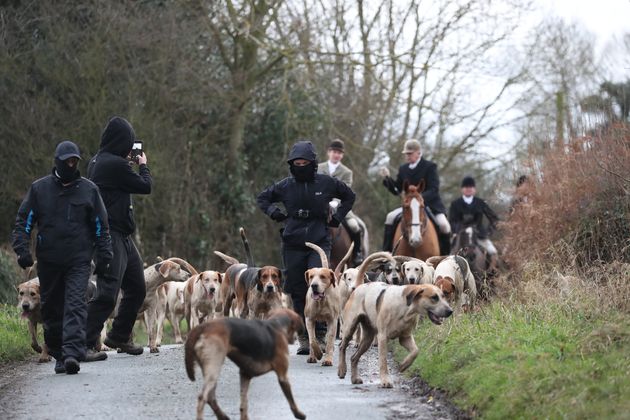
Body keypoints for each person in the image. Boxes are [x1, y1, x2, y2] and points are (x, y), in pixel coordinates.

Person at [12, 140, 113, 374]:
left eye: (74, 161)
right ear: (57, 161)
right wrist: (22, 250)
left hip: (79, 260)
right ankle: (58, 354)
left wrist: (105, 255)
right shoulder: (39, 189)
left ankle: (72, 353)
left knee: (75, 304)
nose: (71, 164)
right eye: (67, 160)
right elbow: (23, 222)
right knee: (52, 307)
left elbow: (101, 226)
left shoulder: (89, 190)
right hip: (48, 261)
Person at [257, 140, 355, 355]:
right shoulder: (285, 185)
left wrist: (337, 217)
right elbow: (263, 198)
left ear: (312, 163)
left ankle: (321, 333)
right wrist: (274, 212)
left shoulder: (327, 183)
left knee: (319, 282)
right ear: (292, 164)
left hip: (319, 238)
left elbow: (349, 196)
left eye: (304, 162)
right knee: (297, 287)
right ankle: (303, 335)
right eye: (297, 163)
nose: (300, 166)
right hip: (292, 240)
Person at [84, 116, 152, 361]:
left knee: (136, 287)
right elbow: (146, 186)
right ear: (122, 142)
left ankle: (119, 335)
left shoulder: (99, 160)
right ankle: (82, 342)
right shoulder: (113, 164)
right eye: (129, 143)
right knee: (107, 293)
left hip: (122, 234)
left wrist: (126, 163)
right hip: (110, 235)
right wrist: (142, 164)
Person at [380, 139, 451, 253]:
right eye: (406, 154)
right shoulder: (403, 169)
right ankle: (387, 253)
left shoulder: (430, 166)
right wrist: (387, 179)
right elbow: (397, 189)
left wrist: (419, 199)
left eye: (410, 153)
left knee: (444, 225)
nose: (407, 156)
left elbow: (434, 188)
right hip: (409, 207)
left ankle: (446, 256)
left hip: (430, 205)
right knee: (390, 217)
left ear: (418, 153)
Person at [317, 139, 365, 265]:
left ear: (342, 155)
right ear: (329, 152)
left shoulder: (347, 172)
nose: (336, 154)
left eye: (339, 153)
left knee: (355, 226)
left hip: (341, 207)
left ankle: (357, 254)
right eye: (334, 152)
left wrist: (335, 202)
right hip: (319, 206)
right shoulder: (318, 168)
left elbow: (346, 191)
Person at [449, 176, 500, 271]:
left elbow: (494, 219)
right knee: (449, 256)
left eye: (471, 187)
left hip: (479, 235)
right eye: (466, 187)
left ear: (474, 189)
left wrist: (488, 232)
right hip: (461, 235)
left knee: (493, 253)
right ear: (462, 189)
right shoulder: (455, 204)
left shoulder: (481, 203)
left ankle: (492, 279)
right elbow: (452, 221)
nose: (468, 189)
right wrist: (456, 231)